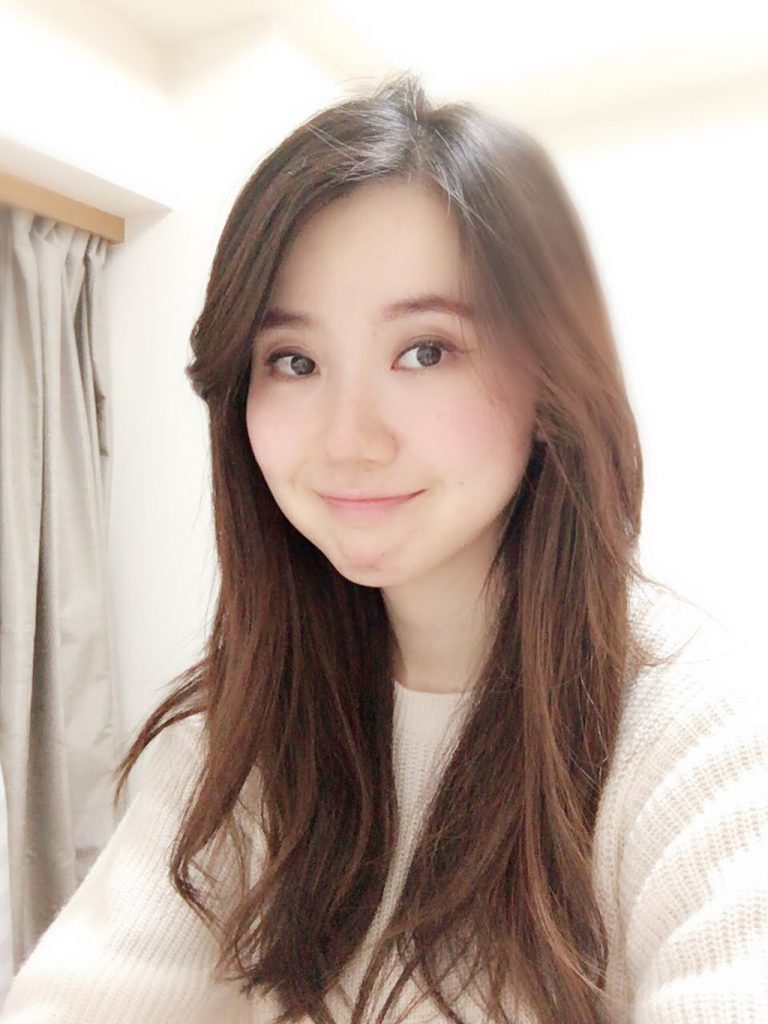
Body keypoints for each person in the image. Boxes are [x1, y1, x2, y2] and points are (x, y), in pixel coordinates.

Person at [2, 70, 766, 1024]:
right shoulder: (240, 734)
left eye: (425, 351)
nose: (348, 440)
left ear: (551, 375)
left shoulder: (698, 737)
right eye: (294, 361)